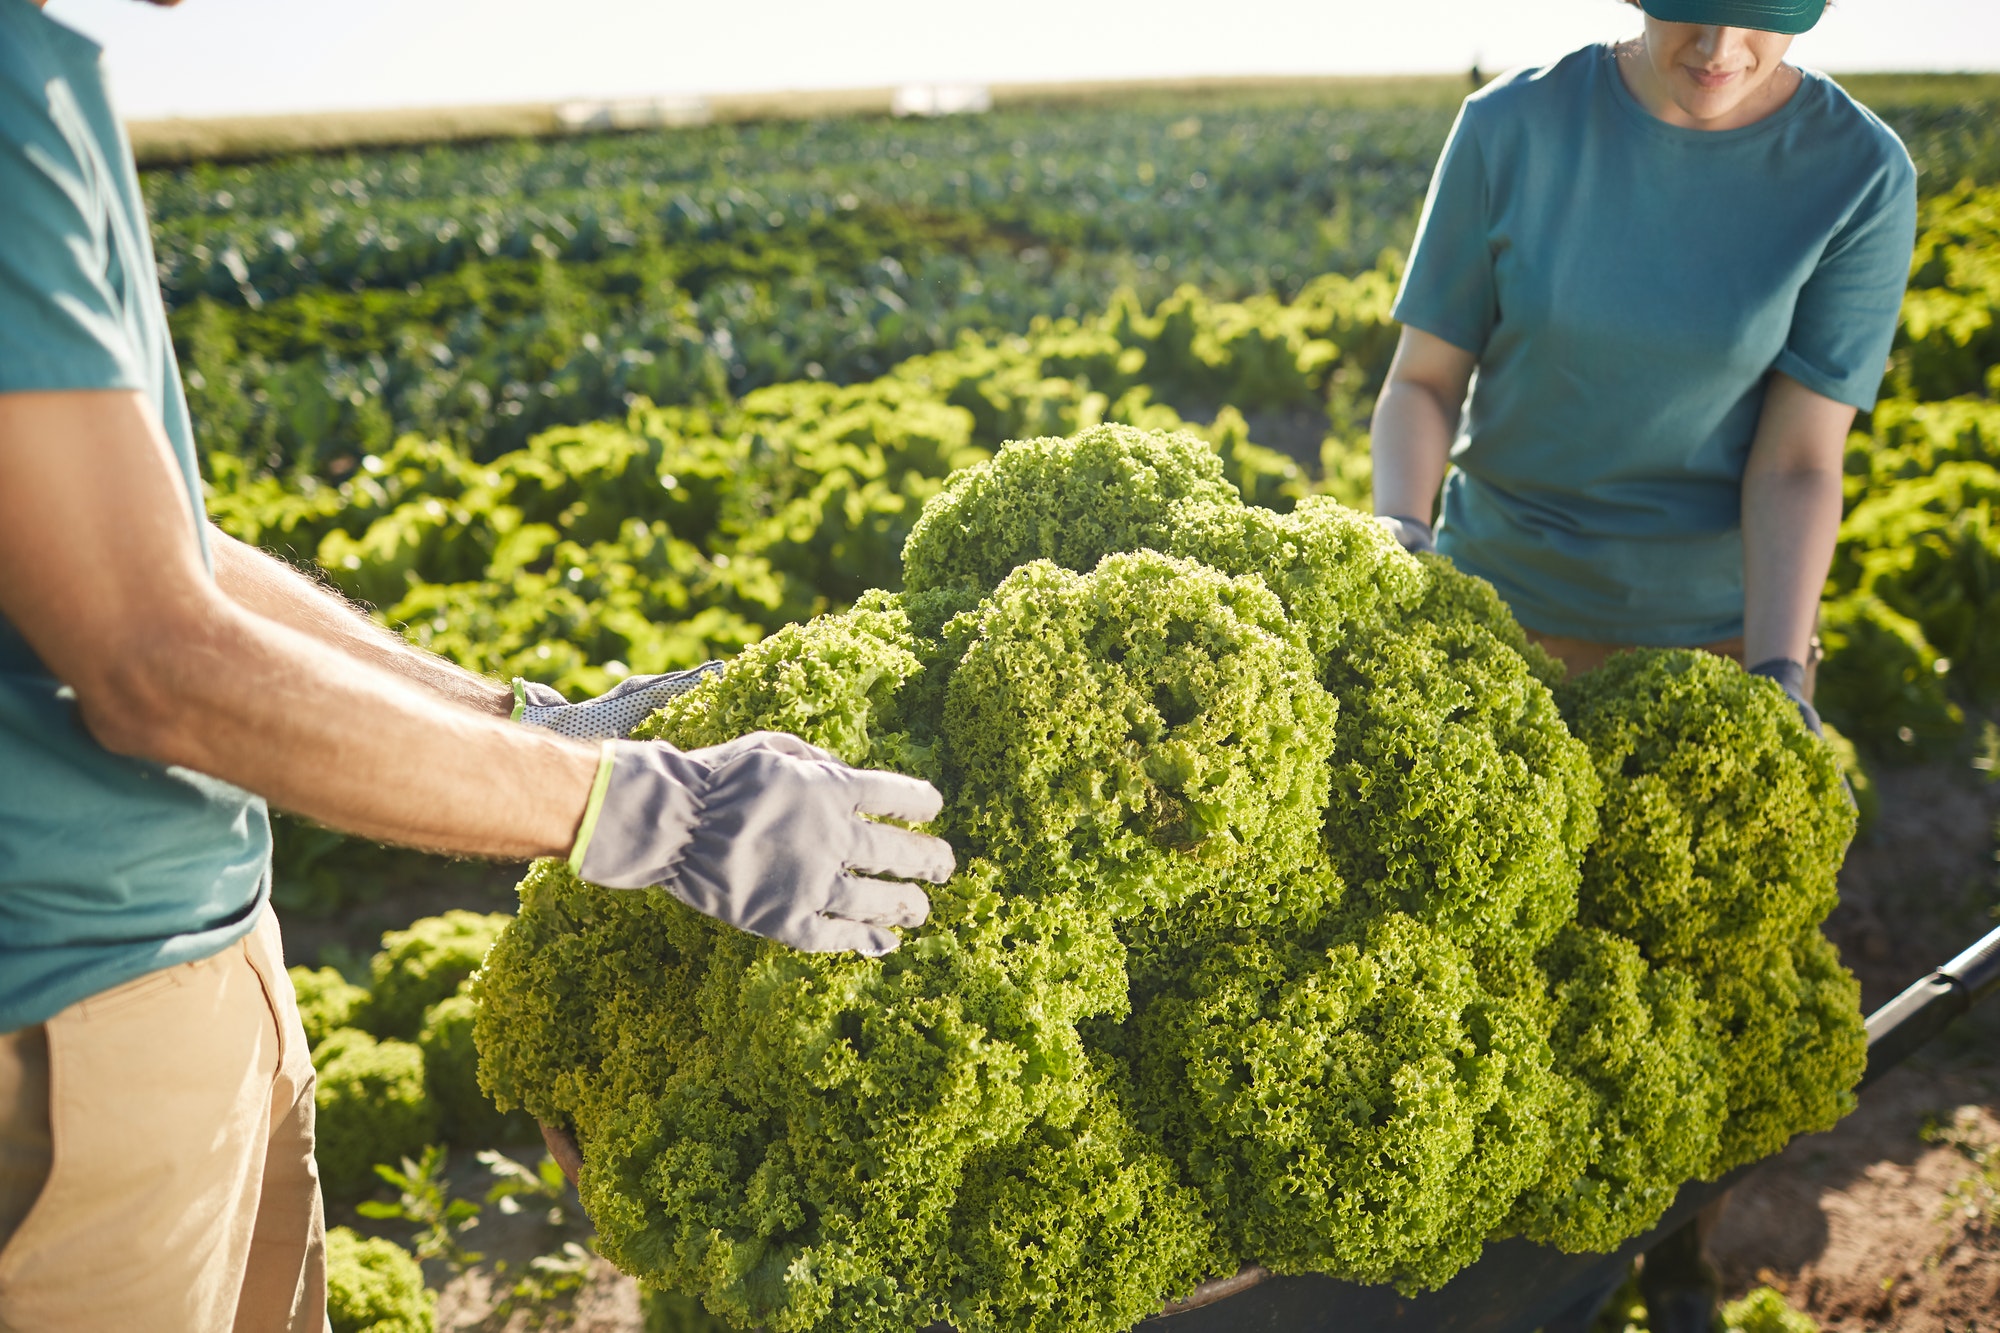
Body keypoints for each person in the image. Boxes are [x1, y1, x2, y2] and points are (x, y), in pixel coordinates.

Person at [0, 0, 954, 1327]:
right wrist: (650, 814)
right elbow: (153, 657)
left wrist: (537, 726)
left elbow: (158, 549)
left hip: (175, 973)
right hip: (59, 1028)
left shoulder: (32, 68)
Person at [1369, 0, 1914, 1327]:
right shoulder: (1514, 129)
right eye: (1691, 11)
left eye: (1760, 23)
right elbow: (1423, 379)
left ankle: (1675, 1256)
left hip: (1708, 655)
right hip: (1499, 628)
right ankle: (1491, 1267)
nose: (1720, 51)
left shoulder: (1855, 173)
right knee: (1488, 973)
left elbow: (1799, 458)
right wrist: (1401, 542)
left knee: (1698, 995)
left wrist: (1778, 677)